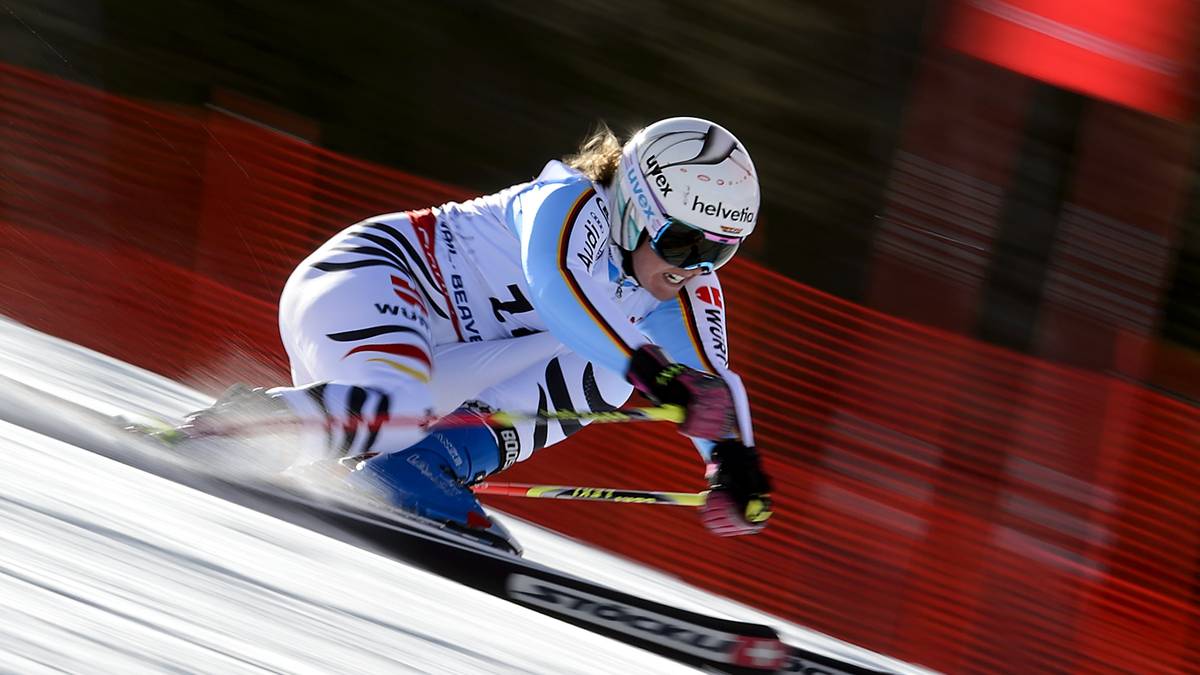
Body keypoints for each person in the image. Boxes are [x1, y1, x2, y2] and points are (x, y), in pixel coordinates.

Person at [182, 117, 773, 550]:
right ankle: (231, 432)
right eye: (683, 243)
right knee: (412, 402)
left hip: (440, 355)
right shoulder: (566, 204)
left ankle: (414, 467)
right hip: (368, 278)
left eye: (721, 251)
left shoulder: (683, 285)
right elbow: (559, 290)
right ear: (634, 208)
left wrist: (732, 460)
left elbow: (712, 383)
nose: (696, 265)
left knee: (604, 376)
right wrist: (653, 373)